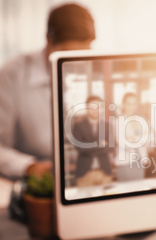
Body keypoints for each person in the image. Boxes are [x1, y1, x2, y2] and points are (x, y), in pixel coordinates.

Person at [0, 3, 95, 179]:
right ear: (49, 41)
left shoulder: (93, 71)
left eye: (82, 55)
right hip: (35, 183)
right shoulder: (12, 75)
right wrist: (30, 167)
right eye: (67, 55)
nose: (75, 64)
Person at [72, 95, 113, 182]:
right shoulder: (78, 125)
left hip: (104, 172)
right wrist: (100, 144)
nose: (95, 110)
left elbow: (111, 147)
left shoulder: (107, 126)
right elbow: (80, 148)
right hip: (84, 174)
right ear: (87, 108)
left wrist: (89, 146)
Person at [115, 92, 148, 181]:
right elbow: (123, 144)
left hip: (140, 162)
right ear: (124, 104)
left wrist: (133, 138)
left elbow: (149, 139)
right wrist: (140, 138)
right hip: (125, 163)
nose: (131, 106)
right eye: (128, 104)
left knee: (140, 190)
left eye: (134, 104)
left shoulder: (141, 120)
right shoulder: (119, 121)